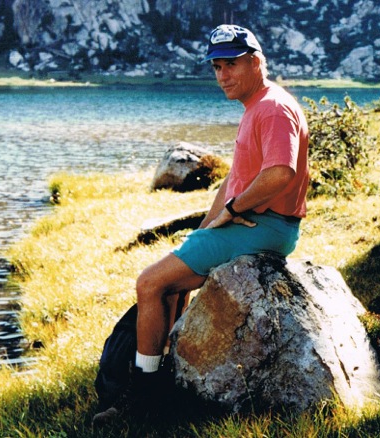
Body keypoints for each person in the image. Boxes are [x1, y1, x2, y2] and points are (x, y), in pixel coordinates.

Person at [93, 23, 309, 423]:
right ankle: (163, 379)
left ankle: (141, 401)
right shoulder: (257, 106)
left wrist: (234, 210)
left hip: (264, 225)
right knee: (171, 282)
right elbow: (234, 179)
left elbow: (281, 173)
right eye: (216, 67)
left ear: (257, 62)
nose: (222, 75)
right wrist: (209, 225)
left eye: (231, 64)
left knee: (150, 283)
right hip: (257, 222)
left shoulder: (272, 108)